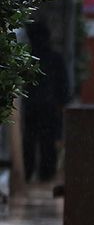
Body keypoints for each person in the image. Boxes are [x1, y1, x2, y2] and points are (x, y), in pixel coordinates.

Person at [22, 21, 67, 185]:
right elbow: (63, 85)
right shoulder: (55, 58)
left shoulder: (28, 58)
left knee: (29, 141)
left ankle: (28, 171)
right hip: (50, 106)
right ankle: (46, 174)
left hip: (31, 106)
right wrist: (61, 103)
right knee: (47, 142)